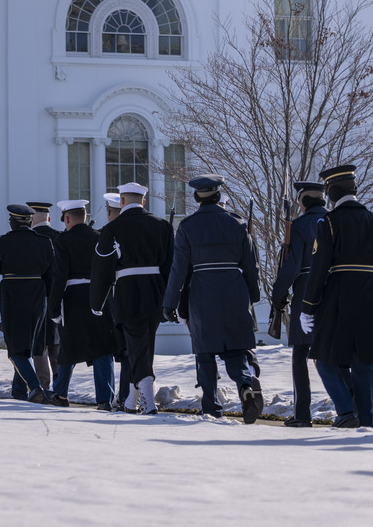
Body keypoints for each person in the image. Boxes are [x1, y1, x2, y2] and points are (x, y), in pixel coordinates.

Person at [161, 175, 264, 422]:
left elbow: (178, 270)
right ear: (219, 195)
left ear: (197, 198)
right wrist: (252, 294)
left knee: (205, 353)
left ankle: (211, 407)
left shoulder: (187, 226)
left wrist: (170, 302)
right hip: (234, 292)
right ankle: (244, 385)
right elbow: (251, 266)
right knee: (236, 349)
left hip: (202, 293)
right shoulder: (238, 224)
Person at [300, 164, 373, 429]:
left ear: (330, 193)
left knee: (325, 357)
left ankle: (345, 411)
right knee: (364, 361)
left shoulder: (328, 222)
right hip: (372, 293)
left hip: (339, 293)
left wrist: (308, 307)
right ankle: (366, 419)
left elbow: (318, 268)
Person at [91, 182, 172, 414]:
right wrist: (170, 300)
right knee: (145, 345)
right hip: (155, 290)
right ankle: (130, 400)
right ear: (143, 201)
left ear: (122, 201)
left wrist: (97, 302)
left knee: (136, 344)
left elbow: (102, 268)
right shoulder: (163, 226)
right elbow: (169, 266)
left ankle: (148, 399)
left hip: (128, 291)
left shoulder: (113, 228)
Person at [0, 204, 55, 403]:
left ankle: (34, 386)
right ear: (30, 222)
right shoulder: (44, 242)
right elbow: (52, 276)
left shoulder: (1, 242)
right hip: (39, 299)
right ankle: (18, 391)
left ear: (12, 222)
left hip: (13, 297)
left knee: (15, 350)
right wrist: (53, 303)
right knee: (28, 347)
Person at [269, 181, 327, 428]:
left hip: (305, 291)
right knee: (331, 354)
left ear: (303, 202)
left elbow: (291, 266)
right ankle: (349, 406)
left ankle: (302, 413)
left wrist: (278, 294)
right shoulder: (334, 220)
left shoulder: (301, 225)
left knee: (300, 355)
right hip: (333, 291)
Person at [49, 199, 116, 409]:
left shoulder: (62, 240)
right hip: (99, 295)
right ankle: (105, 398)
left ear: (67, 218)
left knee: (68, 346)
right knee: (102, 346)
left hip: (73, 297)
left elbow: (59, 276)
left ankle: (60, 394)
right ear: (85, 216)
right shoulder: (99, 237)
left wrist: (54, 307)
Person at [28, 201, 61, 392]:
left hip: (34, 298)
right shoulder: (59, 237)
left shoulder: (29, 238)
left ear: (31, 219)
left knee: (38, 345)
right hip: (56, 296)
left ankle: (43, 385)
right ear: (48, 218)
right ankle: (59, 384)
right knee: (55, 342)